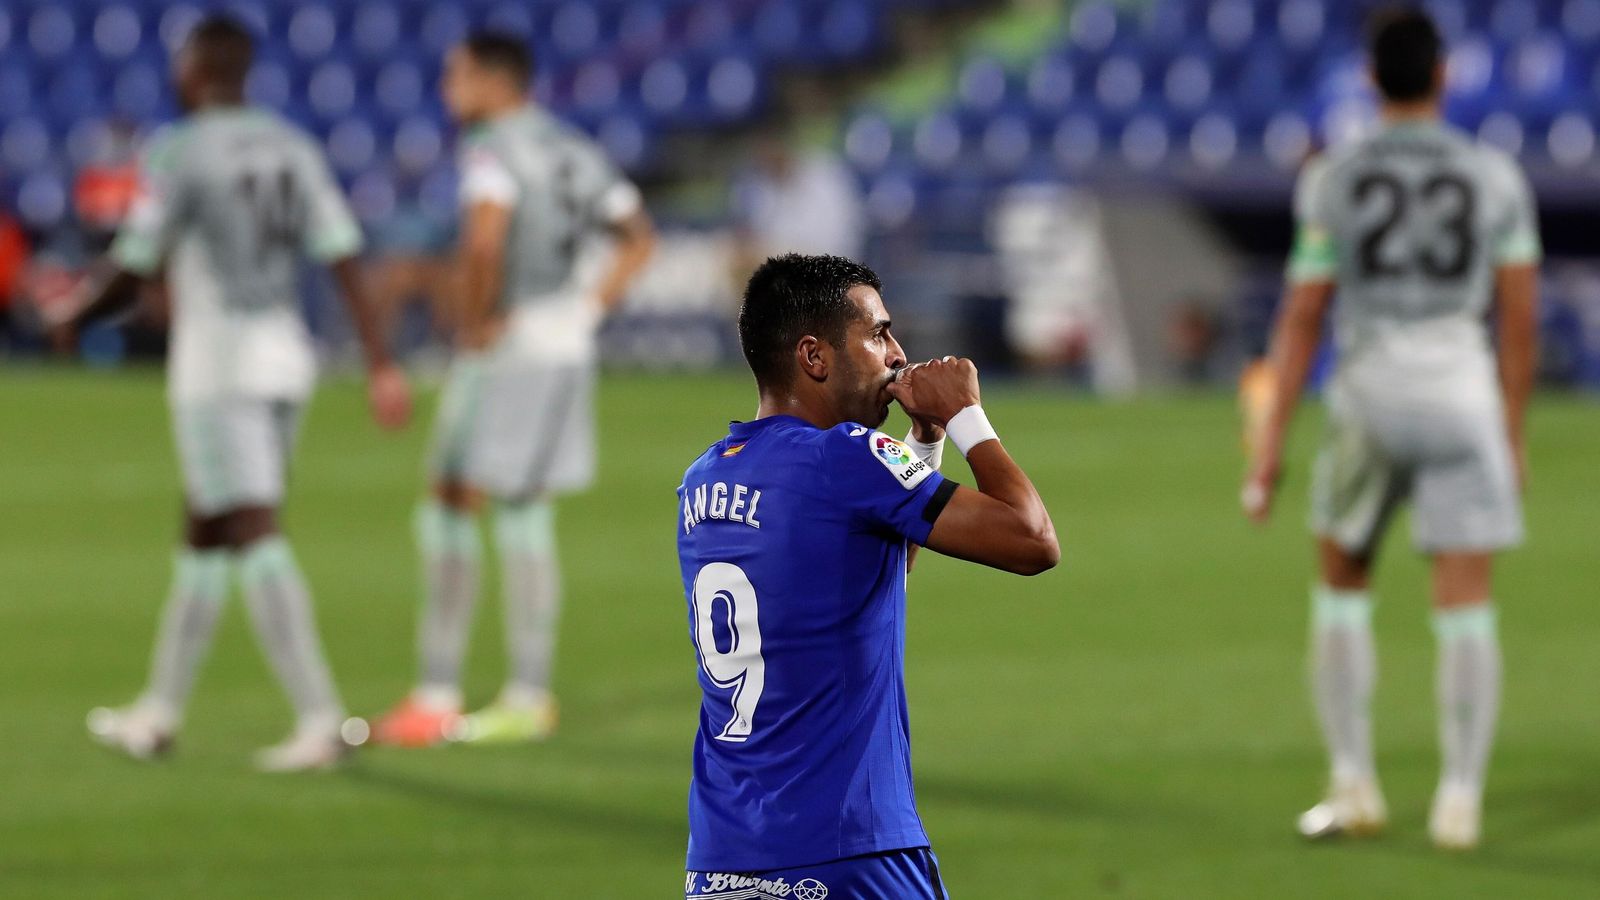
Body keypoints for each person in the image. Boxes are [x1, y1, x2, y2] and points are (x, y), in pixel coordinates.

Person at [52, 16, 412, 771]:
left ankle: (320, 719)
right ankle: (158, 711)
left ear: (199, 68)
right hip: (287, 359)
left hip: (219, 367)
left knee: (252, 529)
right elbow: (343, 255)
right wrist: (380, 360)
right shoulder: (293, 144)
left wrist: (72, 315)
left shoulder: (180, 149)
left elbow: (136, 258)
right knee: (206, 532)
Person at [1241, 8, 1540, 850]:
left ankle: (1355, 785)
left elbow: (1303, 316)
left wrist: (1270, 445)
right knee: (1465, 602)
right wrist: (1511, 433)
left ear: (1371, 81)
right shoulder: (1495, 176)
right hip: (1462, 391)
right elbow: (1519, 321)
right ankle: (1460, 802)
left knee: (1341, 586)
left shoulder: (1334, 176)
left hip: (1369, 391)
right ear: (1443, 77)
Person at [677, 253, 1058, 897]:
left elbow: (862, 578)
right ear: (815, 356)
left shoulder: (706, 478)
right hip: (850, 849)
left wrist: (925, 438)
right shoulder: (848, 456)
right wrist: (967, 416)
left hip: (725, 859)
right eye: (878, 333)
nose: (897, 353)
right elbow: (1031, 540)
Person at [371, 32, 656, 747]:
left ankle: (466, 693)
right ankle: (502, 690)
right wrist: (586, 311)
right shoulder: (573, 148)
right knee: (513, 507)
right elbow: (638, 236)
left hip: (514, 349)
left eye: (455, 75)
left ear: (495, 81)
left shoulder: (493, 147)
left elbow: (485, 240)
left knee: (460, 500)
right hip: (559, 343)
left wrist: (474, 324)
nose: (446, 90)